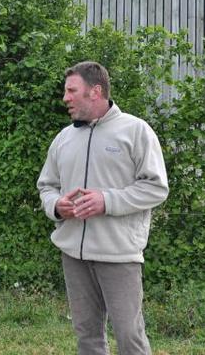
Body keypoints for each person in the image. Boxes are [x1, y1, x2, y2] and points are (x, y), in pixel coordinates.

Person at [38, 61, 169, 355]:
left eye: (72, 91)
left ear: (95, 91)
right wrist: (57, 206)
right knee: (87, 337)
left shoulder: (136, 131)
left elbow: (156, 187)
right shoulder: (64, 138)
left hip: (118, 255)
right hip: (73, 254)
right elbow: (46, 186)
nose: (65, 98)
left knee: (129, 337)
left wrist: (106, 201)